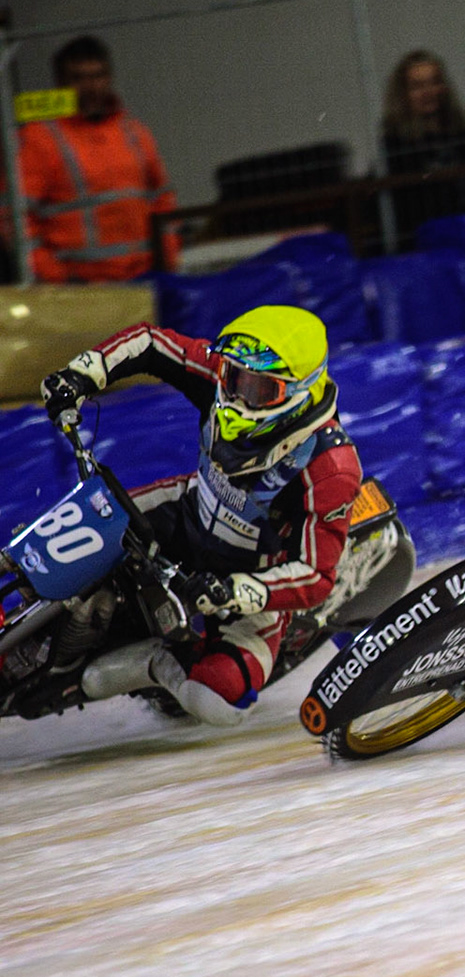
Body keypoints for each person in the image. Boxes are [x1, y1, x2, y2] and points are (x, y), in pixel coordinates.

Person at [38, 307, 363, 726]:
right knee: (79, 528)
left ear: (298, 393)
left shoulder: (329, 466)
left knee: (217, 701)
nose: (239, 394)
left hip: (247, 580)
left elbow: (316, 575)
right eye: (235, 377)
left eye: (260, 388)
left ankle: (154, 665)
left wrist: (237, 591)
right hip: (187, 511)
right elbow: (152, 343)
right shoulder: (218, 377)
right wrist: (85, 373)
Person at [15, 36, 178, 281]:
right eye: (79, 78)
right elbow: (18, 221)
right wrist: (58, 278)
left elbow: (162, 200)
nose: (91, 86)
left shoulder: (133, 132)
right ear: (61, 83)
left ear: (109, 78)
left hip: (146, 280)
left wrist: (167, 262)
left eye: (98, 76)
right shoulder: (39, 139)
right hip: (80, 291)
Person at [380, 48, 465, 240]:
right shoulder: (396, 146)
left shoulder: (464, 135)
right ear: (404, 94)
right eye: (417, 86)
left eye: (434, 82)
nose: (428, 92)